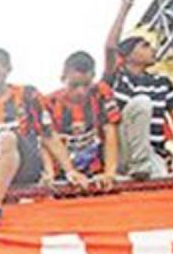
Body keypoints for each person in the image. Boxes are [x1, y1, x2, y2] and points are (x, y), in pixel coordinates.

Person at [0, 48, 88, 238]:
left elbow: (48, 134)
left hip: (26, 164)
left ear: (7, 69)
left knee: (7, 137)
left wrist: (70, 170)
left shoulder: (28, 94)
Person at [104, 0, 173, 178]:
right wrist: (125, 8)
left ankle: (143, 166)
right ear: (128, 55)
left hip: (151, 153)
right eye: (145, 46)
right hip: (121, 150)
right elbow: (110, 47)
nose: (152, 49)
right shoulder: (118, 76)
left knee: (159, 184)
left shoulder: (163, 82)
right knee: (142, 103)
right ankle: (138, 166)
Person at [44, 52, 120, 189]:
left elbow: (110, 132)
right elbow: (47, 140)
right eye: (74, 85)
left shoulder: (101, 93)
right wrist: (66, 172)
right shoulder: (49, 102)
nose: (81, 92)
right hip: (63, 168)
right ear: (63, 78)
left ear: (93, 77)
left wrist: (109, 173)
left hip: (96, 164)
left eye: (86, 85)